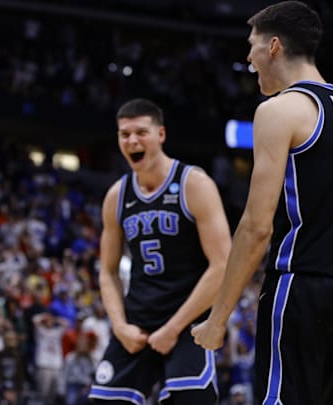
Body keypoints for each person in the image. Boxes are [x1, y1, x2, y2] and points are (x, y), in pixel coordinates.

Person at [191, 2, 333, 405]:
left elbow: (256, 226)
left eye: (252, 46)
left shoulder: (281, 109)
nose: (248, 58)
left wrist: (217, 319)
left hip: (300, 284)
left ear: (275, 46)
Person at [88, 98, 232, 403]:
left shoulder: (194, 183)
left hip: (188, 323)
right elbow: (109, 272)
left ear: (161, 135)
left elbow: (223, 264)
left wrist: (173, 327)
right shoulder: (117, 195)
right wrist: (119, 326)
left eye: (141, 132)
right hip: (136, 322)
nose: (132, 140)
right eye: (124, 134)